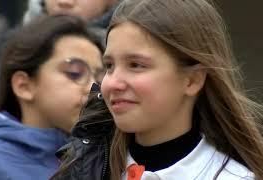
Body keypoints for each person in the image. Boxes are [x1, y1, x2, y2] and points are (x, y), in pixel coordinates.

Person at [52, 0, 263, 179]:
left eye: (136, 65)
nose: (113, 83)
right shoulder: (82, 168)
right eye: (109, 66)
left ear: (192, 80)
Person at [0, 0, 121, 174]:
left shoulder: (100, 158)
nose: (92, 87)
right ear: (23, 86)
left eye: (99, 77)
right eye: (74, 73)